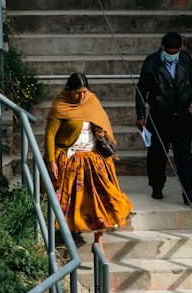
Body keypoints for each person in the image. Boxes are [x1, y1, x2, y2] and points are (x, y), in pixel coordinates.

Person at [45, 72, 132, 253]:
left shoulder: (92, 101)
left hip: (94, 158)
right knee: (70, 204)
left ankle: (98, 243)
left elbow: (101, 122)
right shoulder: (59, 107)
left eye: (84, 92)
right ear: (68, 90)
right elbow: (50, 136)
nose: (82, 96)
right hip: (71, 159)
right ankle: (69, 239)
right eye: (77, 93)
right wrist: (51, 161)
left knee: (101, 201)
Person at [135, 30, 192, 204]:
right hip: (159, 116)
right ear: (163, 47)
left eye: (175, 52)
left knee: (184, 154)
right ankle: (157, 187)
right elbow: (141, 89)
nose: (172, 55)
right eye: (169, 52)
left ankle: (188, 190)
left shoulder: (185, 60)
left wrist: (187, 97)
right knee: (157, 154)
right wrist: (140, 115)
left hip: (181, 116)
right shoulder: (152, 62)